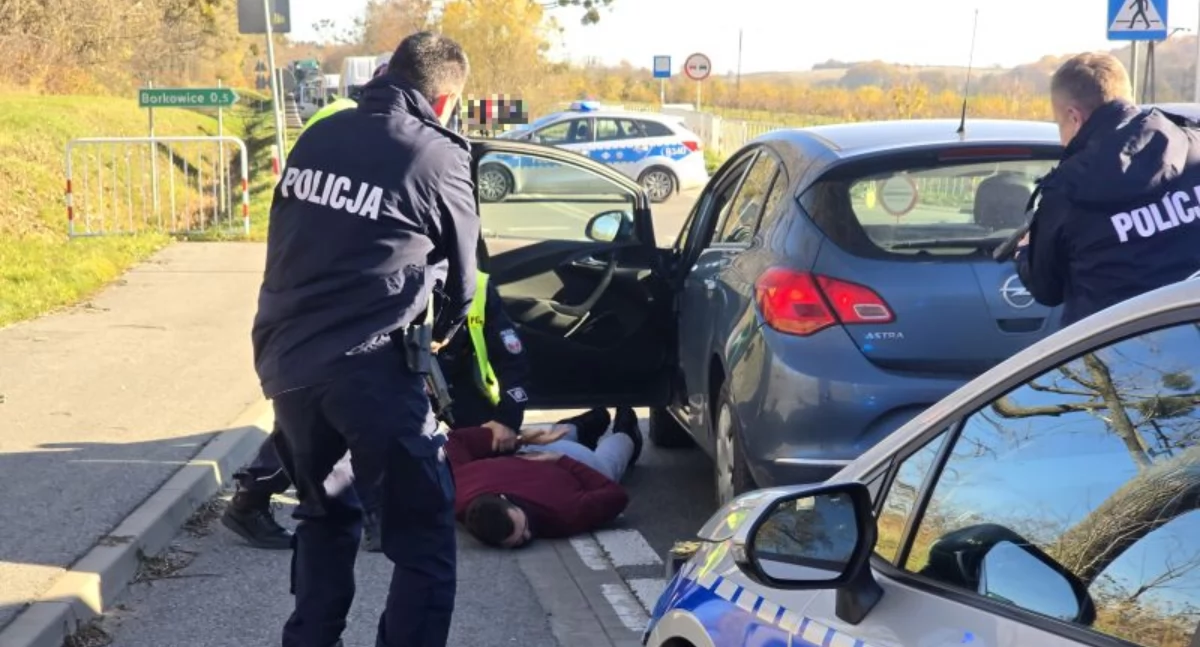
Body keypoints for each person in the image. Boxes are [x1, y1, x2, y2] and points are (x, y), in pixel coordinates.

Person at [250, 31, 477, 647]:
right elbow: (464, 280)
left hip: (287, 361)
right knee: (425, 538)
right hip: (372, 366)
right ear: (448, 98)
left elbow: (285, 243)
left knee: (325, 514)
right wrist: (440, 341)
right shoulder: (437, 154)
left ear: (386, 71)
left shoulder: (318, 135)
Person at [220, 268, 538, 552]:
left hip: (456, 391)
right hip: (382, 376)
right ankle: (253, 500)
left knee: (488, 459)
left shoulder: (476, 287)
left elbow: (513, 362)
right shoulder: (385, 274)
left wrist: (506, 420)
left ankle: (403, 506)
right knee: (334, 418)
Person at [1014, 52, 1200, 326]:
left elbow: (1046, 289)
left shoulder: (1067, 189)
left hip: (1115, 354)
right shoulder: (1192, 143)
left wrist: (1023, 252)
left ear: (1074, 117)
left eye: (1059, 126)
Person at [448, 407, 644, 548]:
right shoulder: (454, 487)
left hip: (570, 460)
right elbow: (454, 440)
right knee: (554, 437)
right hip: (542, 453)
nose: (529, 533)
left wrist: (519, 440)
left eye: (524, 527)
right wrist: (518, 440)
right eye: (522, 540)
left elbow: (614, 494)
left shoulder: (563, 512)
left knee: (606, 468)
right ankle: (582, 425)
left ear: (503, 499)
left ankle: (627, 435)